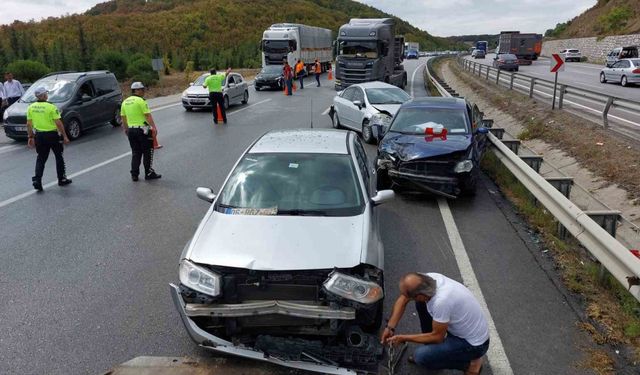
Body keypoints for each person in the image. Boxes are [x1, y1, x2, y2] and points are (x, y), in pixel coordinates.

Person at [382, 272, 489, 375]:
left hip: (473, 344)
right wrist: (390, 328)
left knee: (421, 357)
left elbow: (437, 337)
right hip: (459, 327)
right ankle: (434, 351)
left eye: (408, 295)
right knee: (421, 304)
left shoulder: (441, 302)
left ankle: (470, 365)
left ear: (420, 295)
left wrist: (403, 338)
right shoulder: (429, 279)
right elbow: (404, 299)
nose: (404, 297)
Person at [26, 87, 72, 191]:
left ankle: (37, 180)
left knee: (41, 158)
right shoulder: (51, 107)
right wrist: (65, 136)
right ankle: (62, 179)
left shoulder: (31, 107)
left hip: (39, 136)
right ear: (43, 95)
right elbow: (58, 123)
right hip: (52, 135)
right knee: (59, 156)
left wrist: (30, 136)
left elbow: (29, 124)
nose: (47, 95)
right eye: (46, 93)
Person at [120, 82, 161, 181]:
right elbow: (147, 116)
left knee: (136, 152)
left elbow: (123, 118)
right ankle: (149, 173)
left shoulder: (125, 102)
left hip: (131, 130)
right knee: (148, 152)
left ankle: (134, 174)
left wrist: (126, 129)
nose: (144, 91)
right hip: (143, 129)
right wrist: (154, 128)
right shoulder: (141, 101)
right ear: (136, 90)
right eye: (142, 89)